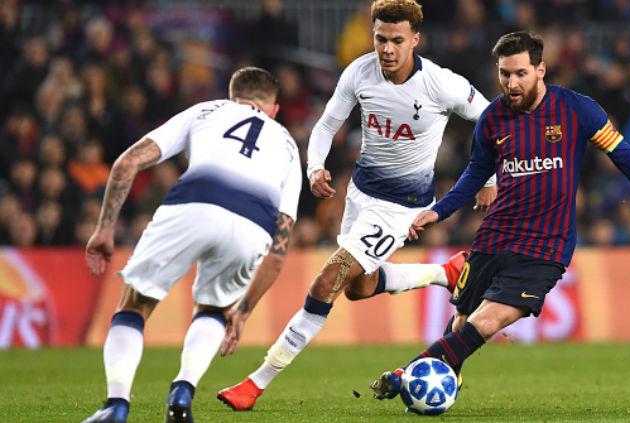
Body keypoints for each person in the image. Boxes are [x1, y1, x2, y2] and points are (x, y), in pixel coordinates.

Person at [370, 30, 630, 401]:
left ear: (541, 70)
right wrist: (439, 211)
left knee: (489, 321)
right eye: (504, 74)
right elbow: (476, 174)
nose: (511, 83)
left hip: (546, 246)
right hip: (496, 236)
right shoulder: (492, 119)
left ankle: (406, 374)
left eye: (520, 74)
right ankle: (446, 380)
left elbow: (623, 155)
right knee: (462, 323)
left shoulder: (578, 109)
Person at [216, 0, 497, 411]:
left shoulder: (440, 83)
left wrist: (488, 178)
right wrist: (316, 167)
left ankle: (255, 384)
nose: (387, 49)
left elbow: (491, 118)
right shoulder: (360, 72)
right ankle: (446, 271)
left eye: (397, 41)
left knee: (327, 281)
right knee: (359, 288)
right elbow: (328, 123)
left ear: (415, 40)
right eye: (380, 38)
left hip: (402, 206)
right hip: (360, 196)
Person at [82, 67, 302, 423]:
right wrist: (243, 311)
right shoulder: (289, 146)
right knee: (214, 310)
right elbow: (278, 252)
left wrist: (104, 229)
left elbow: (128, 162)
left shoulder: (206, 111)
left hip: (193, 205)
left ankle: (116, 405)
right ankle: (181, 395)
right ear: (273, 109)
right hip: (252, 227)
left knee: (135, 304)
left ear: (234, 96)